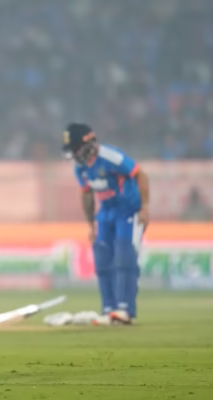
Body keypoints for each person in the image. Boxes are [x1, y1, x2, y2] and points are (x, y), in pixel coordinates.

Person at [62, 123, 150, 324]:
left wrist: (145, 208)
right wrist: (91, 224)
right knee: (102, 260)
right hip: (106, 213)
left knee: (125, 258)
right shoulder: (81, 167)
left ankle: (125, 310)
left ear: (88, 143)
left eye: (76, 149)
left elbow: (140, 174)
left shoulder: (111, 157)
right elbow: (86, 193)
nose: (74, 155)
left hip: (129, 211)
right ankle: (109, 309)